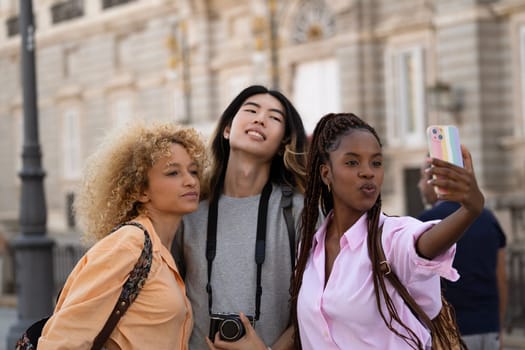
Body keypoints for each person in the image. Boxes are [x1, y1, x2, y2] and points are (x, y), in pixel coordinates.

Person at [290, 113, 485, 350]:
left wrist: (470, 210)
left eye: (376, 162)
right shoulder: (310, 248)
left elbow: (423, 244)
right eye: (352, 162)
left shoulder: (391, 237)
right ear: (326, 173)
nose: (367, 172)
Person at [37, 121, 207, 349]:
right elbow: (62, 340)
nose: (190, 180)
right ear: (140, 190)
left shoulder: (163, 251)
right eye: (173, 172)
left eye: (193, 170)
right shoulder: (129, 243)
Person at [172, 85, 308, 350]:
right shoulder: (189, 209)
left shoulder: (298, 212)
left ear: (283, 144)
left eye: (275, 117)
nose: (260, 119)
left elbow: (319, 305)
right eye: (251, 110)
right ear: (226, 129)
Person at [417, 159, 508, 350]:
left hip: (447, 334)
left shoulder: (423, 224)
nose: (420, 185)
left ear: (435, 179)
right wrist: (498, 327)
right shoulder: (489, 218)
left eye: (423, 177)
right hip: (488, 329)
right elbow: (501, 278)